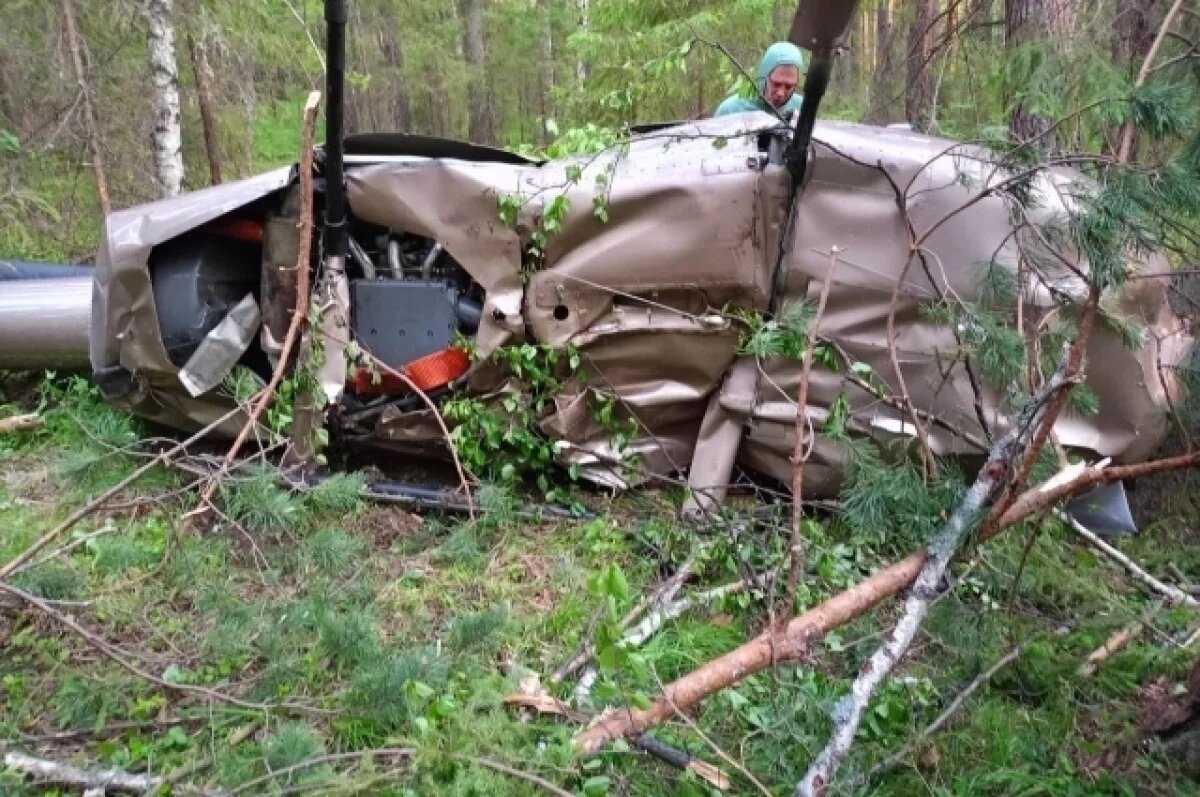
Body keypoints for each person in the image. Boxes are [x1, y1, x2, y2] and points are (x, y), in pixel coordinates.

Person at [714, 41, 805, 117]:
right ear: (764, 77)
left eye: (789, 87)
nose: (780, 93)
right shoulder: (731, 110)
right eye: (776, 84)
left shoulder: (801, 109)